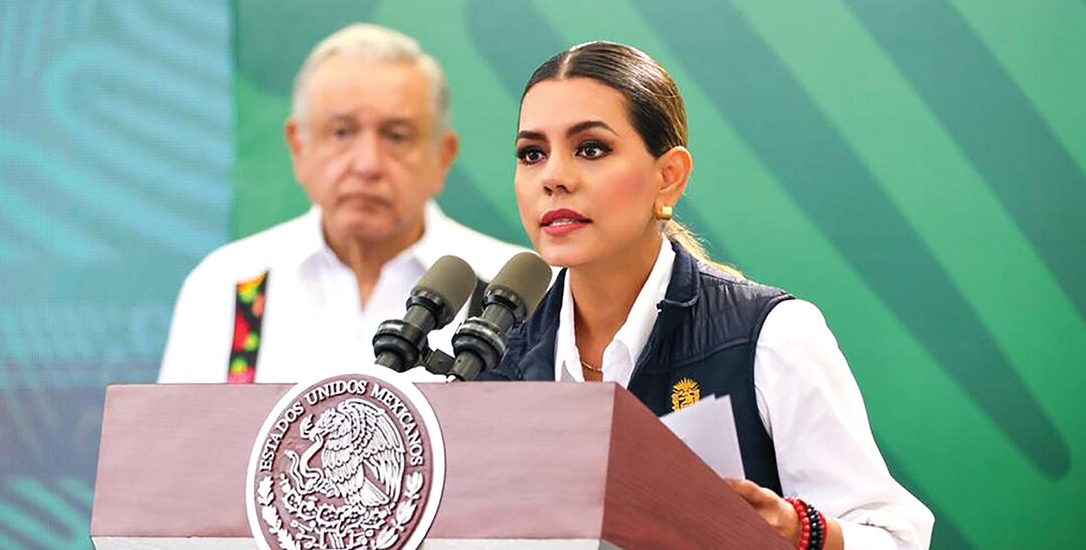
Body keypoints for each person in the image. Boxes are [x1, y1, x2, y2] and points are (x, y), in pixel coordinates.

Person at [482, 41, 934, 549]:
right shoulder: (491, 351)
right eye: (532, 154)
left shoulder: (769, 336)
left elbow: (898, 540)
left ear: (668, 177)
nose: (554, 178)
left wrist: (798, 532)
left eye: (590, 149)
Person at [158, 24, 525, 384]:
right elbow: (172, 440)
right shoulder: (227, 286)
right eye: (341, 133)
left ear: (442, 156)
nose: (367, 164)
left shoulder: (509, 297)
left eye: (396, 136)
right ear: (298, 147)